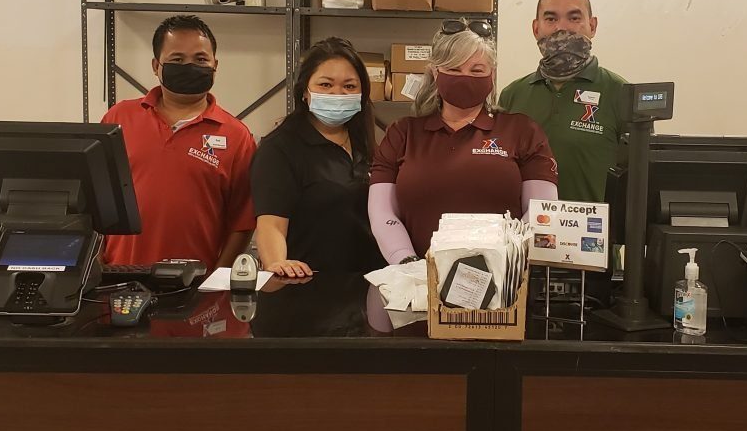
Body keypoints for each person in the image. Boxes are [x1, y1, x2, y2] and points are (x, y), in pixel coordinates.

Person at [369, 20, 559, 264]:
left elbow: (540, 212)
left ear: (492, 74)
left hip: (502, 283)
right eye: (454, 69)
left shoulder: (523, 132)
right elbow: (382, 213)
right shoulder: (402, 134)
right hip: (417, 282)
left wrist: (501, 263)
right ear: (436, 73)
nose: (465, 77)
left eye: (477, 70)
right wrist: (405, 262)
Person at [101, 15, 255, 268]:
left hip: (194, 284)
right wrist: (96, 264)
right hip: (117, 275)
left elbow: (243, 221)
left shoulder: (236, 135)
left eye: (200, 59)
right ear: (155, 65)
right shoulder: (118, 118)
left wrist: (215, 280)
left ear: (215, 64)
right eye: (177, 60)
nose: (190, 66)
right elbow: (96, 199)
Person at [250, 38, 383, 279]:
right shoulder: (280, 149)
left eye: (350, 86)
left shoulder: (366, 143)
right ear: (304, 92)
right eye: (325, 84)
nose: (338, 94)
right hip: (309, 286)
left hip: (366, 286)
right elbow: (271, 224)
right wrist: (278, 264)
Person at [497, 0, 628, 204]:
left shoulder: (620, 93)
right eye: (551, 19)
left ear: (592, 26)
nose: (562, 27)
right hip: (528, 233)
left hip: (595, 235)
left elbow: (638, 182)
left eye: (574, 18)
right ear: (536, 28)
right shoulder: (512, 95)